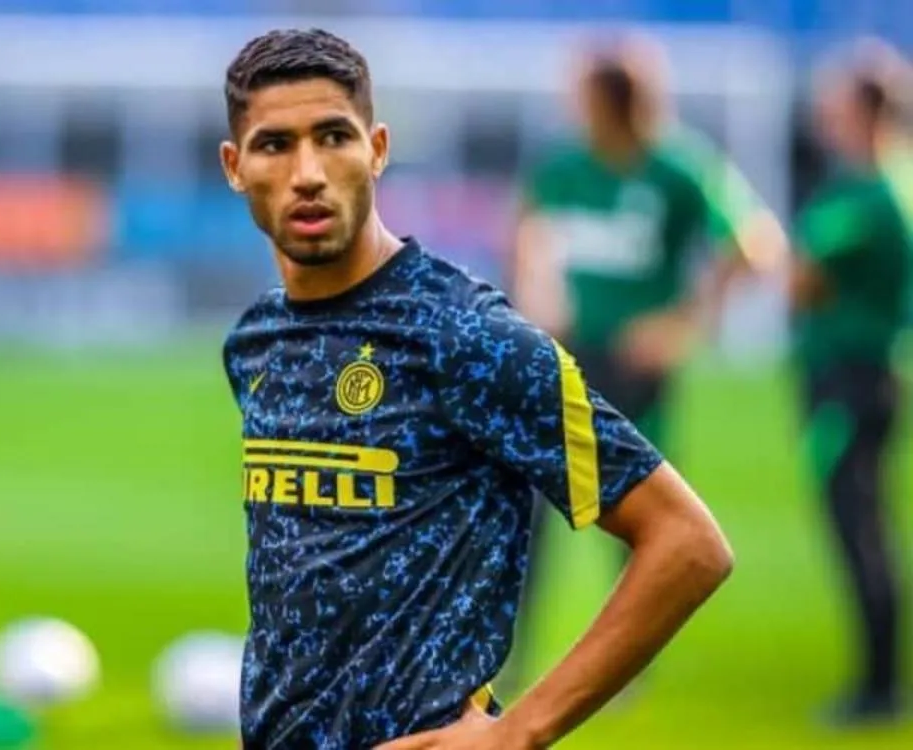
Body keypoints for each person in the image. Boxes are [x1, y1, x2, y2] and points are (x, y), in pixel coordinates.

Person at [219, 28, 734, 750]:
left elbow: (688, 543)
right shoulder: (257, 340)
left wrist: (517, 732)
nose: (307, 172)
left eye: (333, 137)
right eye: (275, 145)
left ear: (377, 149)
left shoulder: (469, 336)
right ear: (235, 167)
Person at [502, 37, 786, 692]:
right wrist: (537, 291)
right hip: (563, 357)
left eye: (582, 95)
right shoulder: (565, 164)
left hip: (634, 365)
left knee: (639, 518)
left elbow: (755, 245)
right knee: (528, 508)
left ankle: (627, 663)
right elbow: (526, 230)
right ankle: (508, 656)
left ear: (611, 100)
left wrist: (685, 323)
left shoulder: (679, 167)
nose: (573, 106)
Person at [790, 41, 911, 725]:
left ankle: (878, 686)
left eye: (837, 101)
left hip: (849, 379)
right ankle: (879, 680)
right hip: (876, 373)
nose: (825, 112)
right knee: (868, 523)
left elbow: (802, 278)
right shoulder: (898, 178)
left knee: (858, 527)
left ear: (865, 108)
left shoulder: (864, 192)